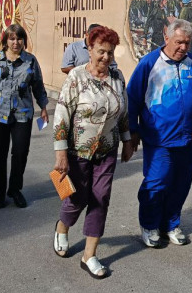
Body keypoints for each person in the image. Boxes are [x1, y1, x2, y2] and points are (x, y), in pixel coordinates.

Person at [127, 19, 192, 248]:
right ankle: (149, 225)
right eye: (179, 42)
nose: (183, 48)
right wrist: (132, 131)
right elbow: (132, 100)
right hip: (158, 140)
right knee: (156, 184)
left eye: (187, 43)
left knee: (181, 184)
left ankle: (171, 224)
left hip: (186, 139)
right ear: (166, 38)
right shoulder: (149, 64)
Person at [51, 25, 133, 279]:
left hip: (107, 148)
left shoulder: (117, 78)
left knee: (101, 198)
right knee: (77, 198)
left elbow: (123, 112)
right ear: (89, 49)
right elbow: (62, 114)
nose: (106, 58)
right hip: (78, 150)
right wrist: (61, 152)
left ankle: (89, 255)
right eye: (101, 52)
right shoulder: (76, 77)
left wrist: (128, 140)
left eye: (110, 52)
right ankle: (63, 227)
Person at [0, 24, 48, 209]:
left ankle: (15, 189)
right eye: (12, 39)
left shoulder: (30, 61)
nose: (16, 42)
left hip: (22, 114)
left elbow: (38, 85)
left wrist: (44, 107)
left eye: (19, 38)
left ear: (24, 40)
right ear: (6, 40)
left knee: (20, 153)